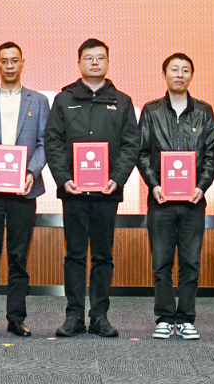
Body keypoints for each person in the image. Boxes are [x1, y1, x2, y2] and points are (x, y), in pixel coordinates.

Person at [44, 38, 141, 338]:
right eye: (89, 58)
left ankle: (99, 316)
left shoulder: (122, 101)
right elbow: (53, 141)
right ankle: (74, 315)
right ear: (79, 63)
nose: (95, 62)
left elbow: (131, 143)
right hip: (73, 191)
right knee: (74, 254)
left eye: (100, 57)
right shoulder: (64, 100)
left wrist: (118, 177)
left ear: (108, 62)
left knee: (102, 255)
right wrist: (63, 178)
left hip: (106, 192)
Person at [0, 42, 50, 337]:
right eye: (4, 61)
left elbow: (44, 143)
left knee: (18, 257)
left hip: (24, 190)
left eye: (14, 60)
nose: (9, 66)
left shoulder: (38, 101)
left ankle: (16, 318)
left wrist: (31, 171)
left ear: (22, 63)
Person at [136, 52, 214, 341]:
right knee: (161, 262)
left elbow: (211, 155)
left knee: (190, 262)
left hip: (193, 201)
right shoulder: (151, 111)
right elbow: (142, 153)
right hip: (161, 201)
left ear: (191, 75)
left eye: (185, 70)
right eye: (174, 69)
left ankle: (186, 318)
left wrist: (202, 186)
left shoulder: (204, 112)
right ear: (165, 75)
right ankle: (164, 317)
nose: (179, 74)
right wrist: (154, 184)